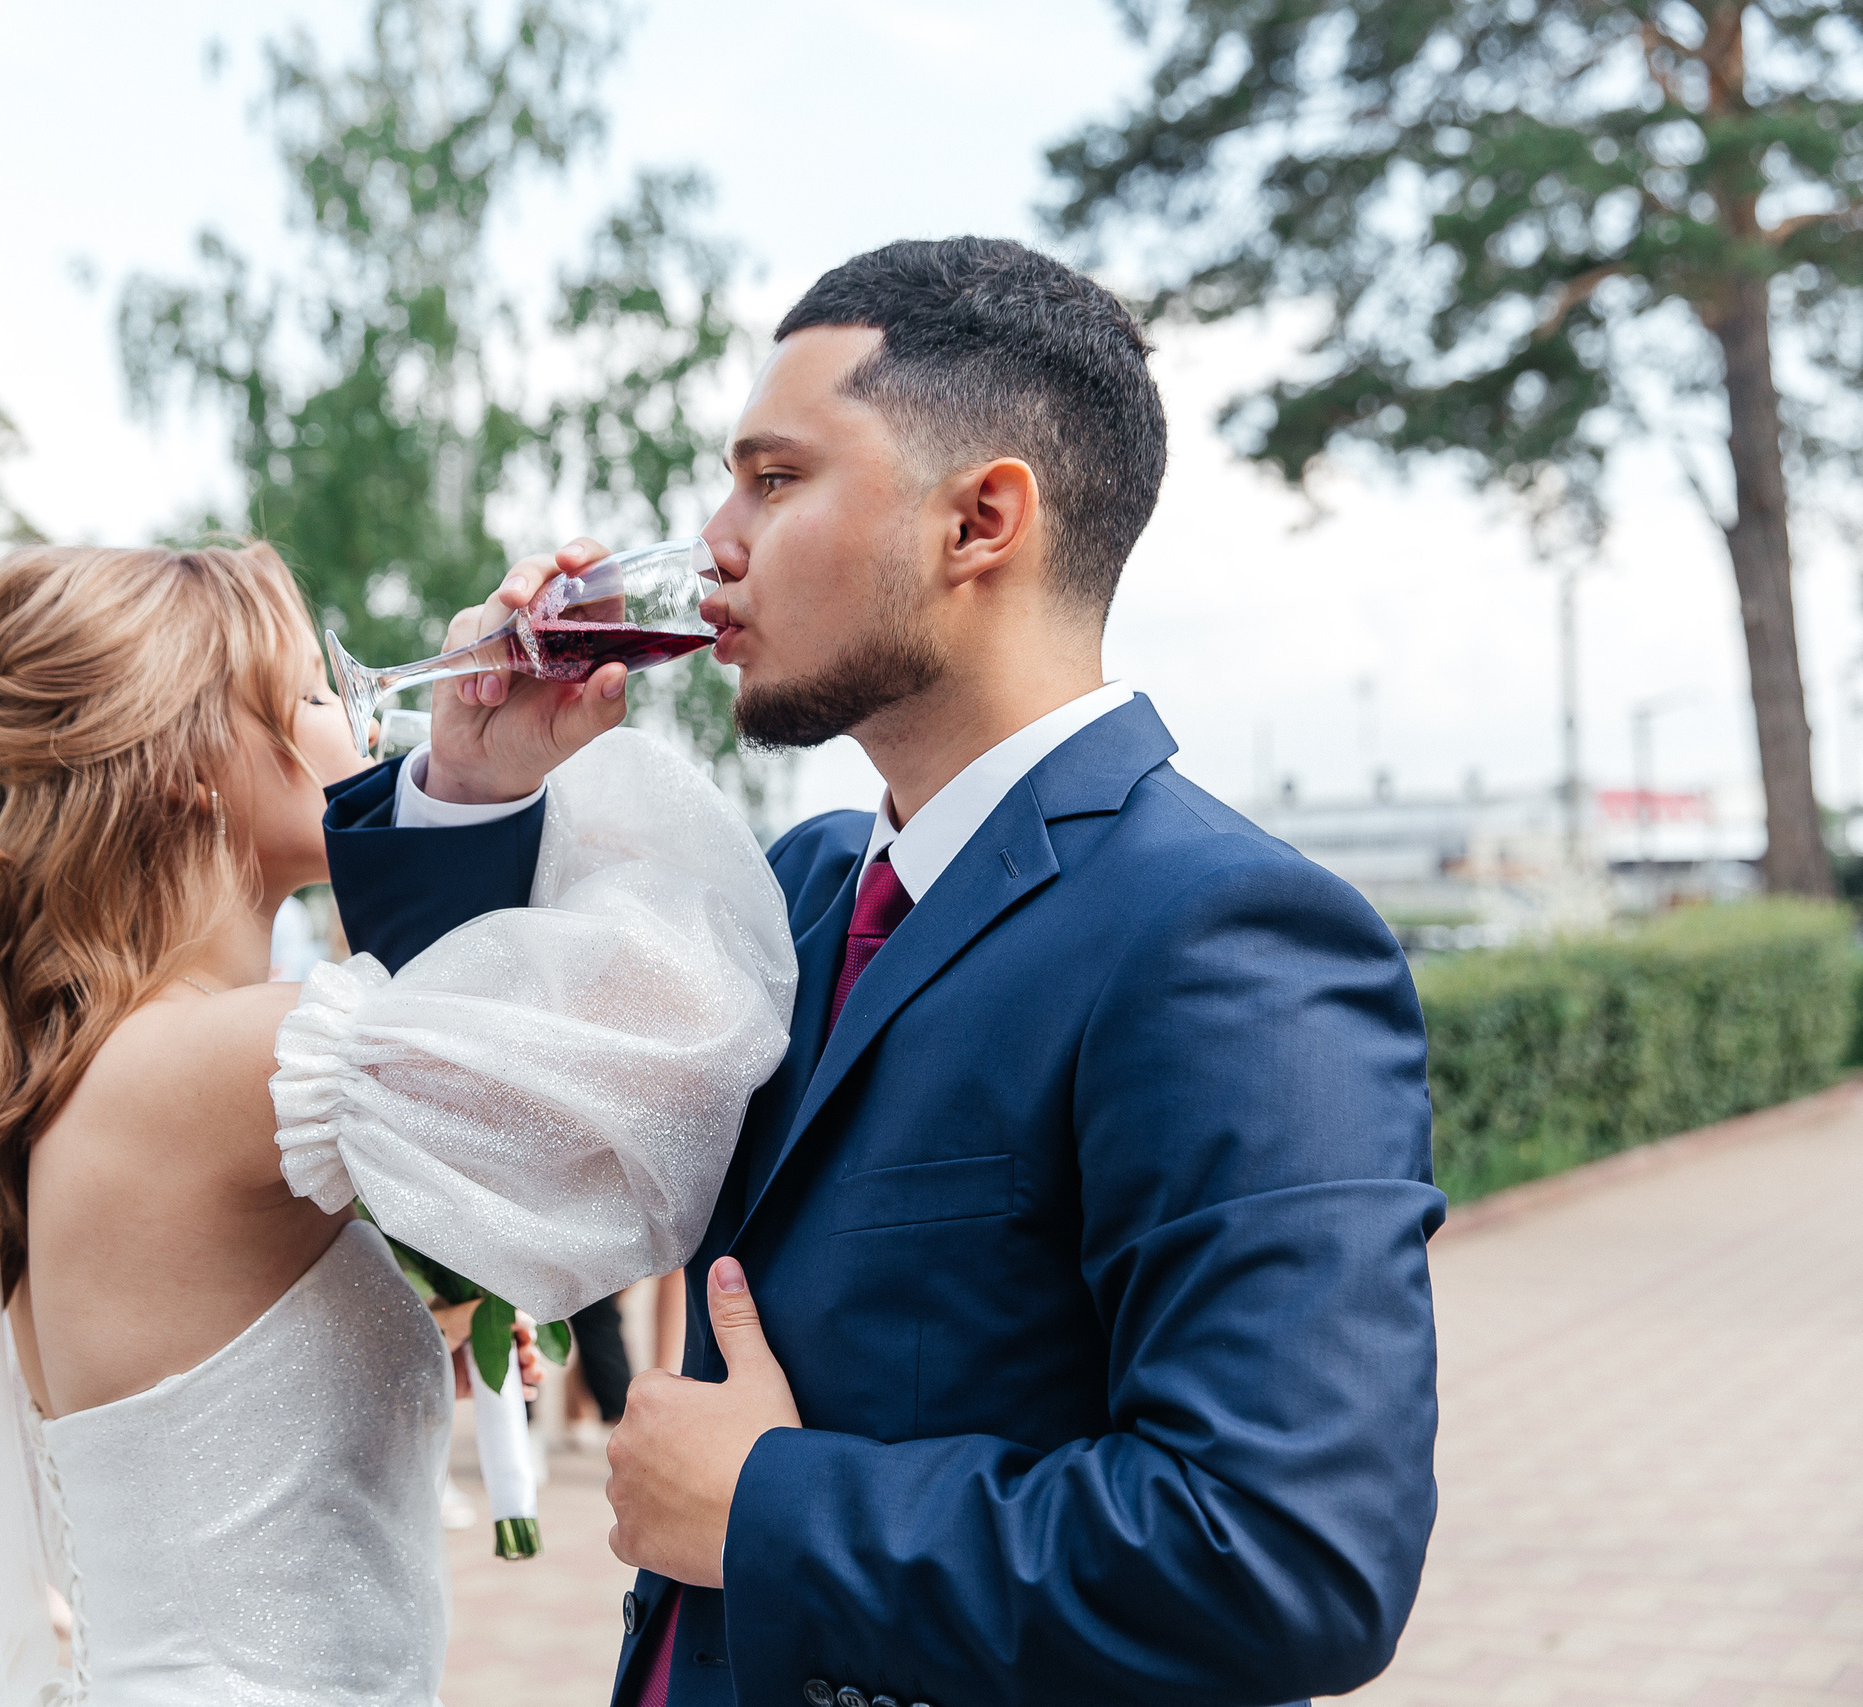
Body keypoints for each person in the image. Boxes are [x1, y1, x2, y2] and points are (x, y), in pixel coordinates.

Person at [322, 238, 1444, 1707]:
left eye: (774, 480)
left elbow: (1292, 1555)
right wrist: (473, 790)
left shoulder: (1224, 937)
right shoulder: (794, 895)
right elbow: (493, 1152)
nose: (715, 539)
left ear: (981, 519)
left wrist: (773, 1509)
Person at [0, 543, 795, 1706]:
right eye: (315, 692)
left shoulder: (137, 1060)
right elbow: (677, 1040)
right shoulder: (221, 1059)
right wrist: (554, 765)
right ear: (192, 769)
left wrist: (413, 1345)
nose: (363, 717)